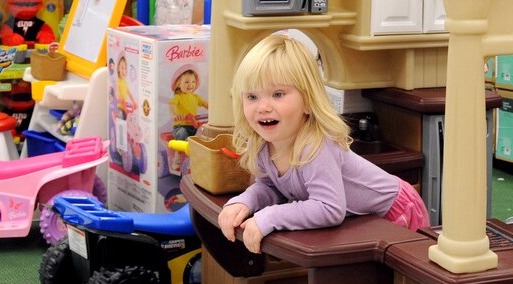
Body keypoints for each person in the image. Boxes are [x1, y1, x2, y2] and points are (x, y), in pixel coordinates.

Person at [218, 34, 429, 254]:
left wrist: (268, 217)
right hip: (363, 221)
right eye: (252, 97)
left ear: (308, 101)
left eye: (277, 94)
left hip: (395, 213)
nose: (263, 107)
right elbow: (271, 186)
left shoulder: (315, 147)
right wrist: (244, 202)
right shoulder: (263, 143)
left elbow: (329, 208)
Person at [169, 65, 208, 141]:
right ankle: (178, 151)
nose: (190, 85)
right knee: (182, 132)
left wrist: (214, 110)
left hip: (195, 126)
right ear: (179, 84)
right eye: (186, 82)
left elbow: (207, 105)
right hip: (181, 125)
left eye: (193, 81)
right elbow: (172, 106)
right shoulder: (178, 97)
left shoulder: (196, 97)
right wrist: (175, 115)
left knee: (205, 131)